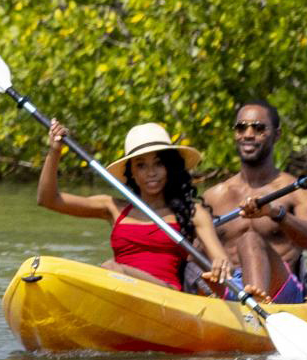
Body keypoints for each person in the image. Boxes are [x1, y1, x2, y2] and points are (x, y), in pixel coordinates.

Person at [36, 121, 221, 293]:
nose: (151, 173)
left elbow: (220, 259)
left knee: (111, 267)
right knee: (110, 270)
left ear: (169, 167)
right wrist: (55, 152)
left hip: (167, 296)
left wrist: (221, 265)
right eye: (141, 165)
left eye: (158, 163)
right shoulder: (112, 207)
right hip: (121, 291)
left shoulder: (192, 213)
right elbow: (48, 199)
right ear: (131, 171)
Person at [209, 96, 307, 303]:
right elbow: (191, 256)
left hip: (280, 291)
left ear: (276, 135)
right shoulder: (214, 196)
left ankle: (255, 304)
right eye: (241, 128)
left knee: (249, 239)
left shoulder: (297, 191)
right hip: (229, 289)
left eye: (258, 128)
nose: (248, 134)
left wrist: (276, 213)